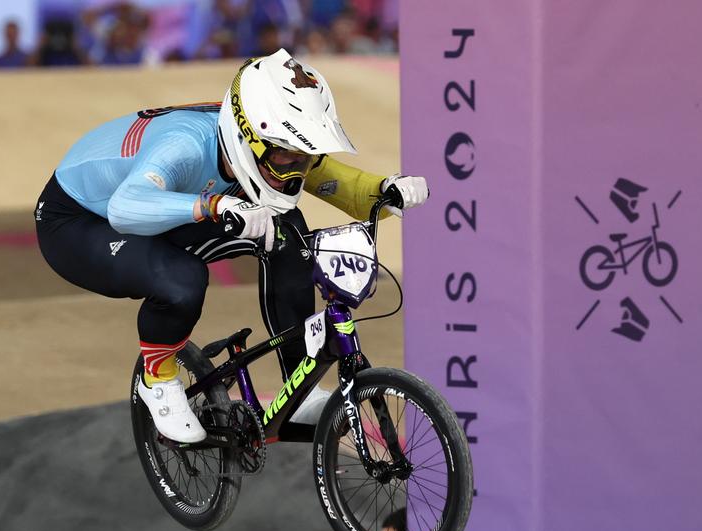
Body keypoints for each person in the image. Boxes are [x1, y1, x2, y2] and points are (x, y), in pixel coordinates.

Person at [35, 49, 428, 443]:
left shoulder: (274, 147)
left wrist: (386, 191)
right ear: (247, 137)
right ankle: (157, 379)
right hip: (80, 221)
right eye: (287, 157)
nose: (294, 171)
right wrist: (214, 204)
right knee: (181, 280)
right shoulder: (186, 146)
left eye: (304, 158)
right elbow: (124, 208)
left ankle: (300, 389)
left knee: (286, 234)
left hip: (166, 206)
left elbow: (346, 187)